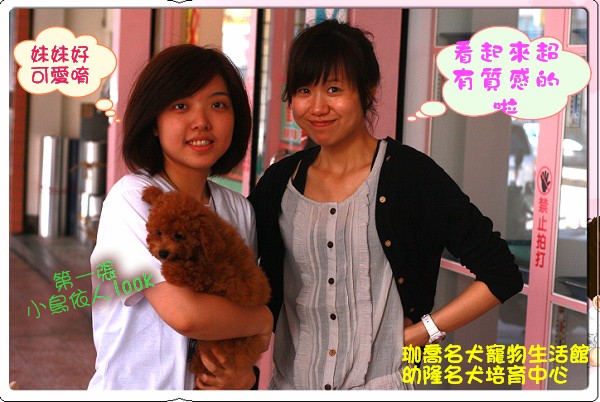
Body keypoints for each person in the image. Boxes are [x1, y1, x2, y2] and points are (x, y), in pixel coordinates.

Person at [246, 19, 524, 390]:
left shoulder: (410, 175)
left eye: (334, 89)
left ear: (369, 89)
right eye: (304, 90)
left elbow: (501, 272)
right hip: (290, 386)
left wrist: (423, 332)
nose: (317, 106)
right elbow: (238, 267)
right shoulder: (280, 181)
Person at [87, 44, 273, 390]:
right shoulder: (133, 198)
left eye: (218, 105)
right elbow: (186, 315)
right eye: (180, 106)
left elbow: (238, 307)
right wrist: (263, 320)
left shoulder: (239, 210)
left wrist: (243, 376)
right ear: (154, 123)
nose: (201, 122)